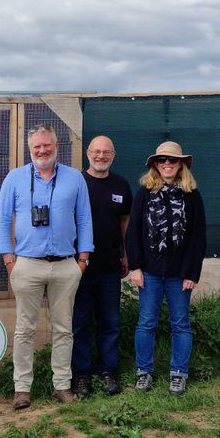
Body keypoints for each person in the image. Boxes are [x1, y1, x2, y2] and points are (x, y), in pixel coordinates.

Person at [0, 125, 93, 410]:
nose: (42, 150)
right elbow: (2, 220)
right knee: (24, 329)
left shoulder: (74, 178)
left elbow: (84, 218)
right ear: (30, 149)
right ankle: (22, 389)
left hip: (65, 265)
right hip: (27, 264)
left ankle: (61, 385)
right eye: (37, 146)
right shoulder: (15, 178)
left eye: (47, 145)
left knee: (64, 329)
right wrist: (9, 260)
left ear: (56, 146)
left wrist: (83, 259)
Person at [125, 141, 207, 396]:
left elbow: (198, 237)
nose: (167, 164)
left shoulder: (192, 195)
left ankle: (178, 373)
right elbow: (133, 232)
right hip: (149, 272)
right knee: (146, 323)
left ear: (181, 164)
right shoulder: (144, 193)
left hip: (179, 275)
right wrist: (135, 267)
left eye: (173, 160)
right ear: (155, 165)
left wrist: (192, 273)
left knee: (180, 324)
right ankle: (144, 372)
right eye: (162, 160)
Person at [71, 135, 132, 398]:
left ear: (113, 155)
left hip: (109, 267)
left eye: (106, 152)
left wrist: (126, 254)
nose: (101, 156)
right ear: (88, 153)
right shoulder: (76, 182)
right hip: (79, 268)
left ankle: (108, 371)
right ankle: (82, 375)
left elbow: (125, 221)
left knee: (110, 322)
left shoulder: (121, 185)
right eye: (96, 151)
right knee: (81, 323)